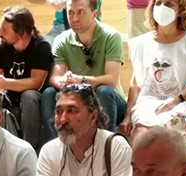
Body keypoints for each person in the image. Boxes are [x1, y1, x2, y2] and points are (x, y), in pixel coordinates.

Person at [119, 0, 186, 137]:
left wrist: (175, 101)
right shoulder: (141, 43)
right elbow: (135, 84)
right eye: (158, 3)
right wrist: (127, 116)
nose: (162, 8)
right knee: (142, 133)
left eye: (169, 4)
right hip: (146, 103)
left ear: (180, 10)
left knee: (170, 130)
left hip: (177, 102)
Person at [41, 0, 125, 139]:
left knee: (104, 91)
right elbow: (55, 77)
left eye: (80, 12)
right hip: (77, 98)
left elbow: (111, 80)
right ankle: (55, 144)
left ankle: (105, 144)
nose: (74, 18)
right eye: (70, 13)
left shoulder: (111, 35)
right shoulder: (61, 40)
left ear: (94, 14)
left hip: (109, 99)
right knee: (49, 93)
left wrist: (83, 81)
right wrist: (62, 81)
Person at [0, 6, 53, 151]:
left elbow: (36, 83)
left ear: (22, 32)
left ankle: (30, 147)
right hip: (9, 95)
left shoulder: (41, 47)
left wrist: (5, 83)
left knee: (28, 95)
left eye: (4, 30)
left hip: (35, 98)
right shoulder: (0, 45)